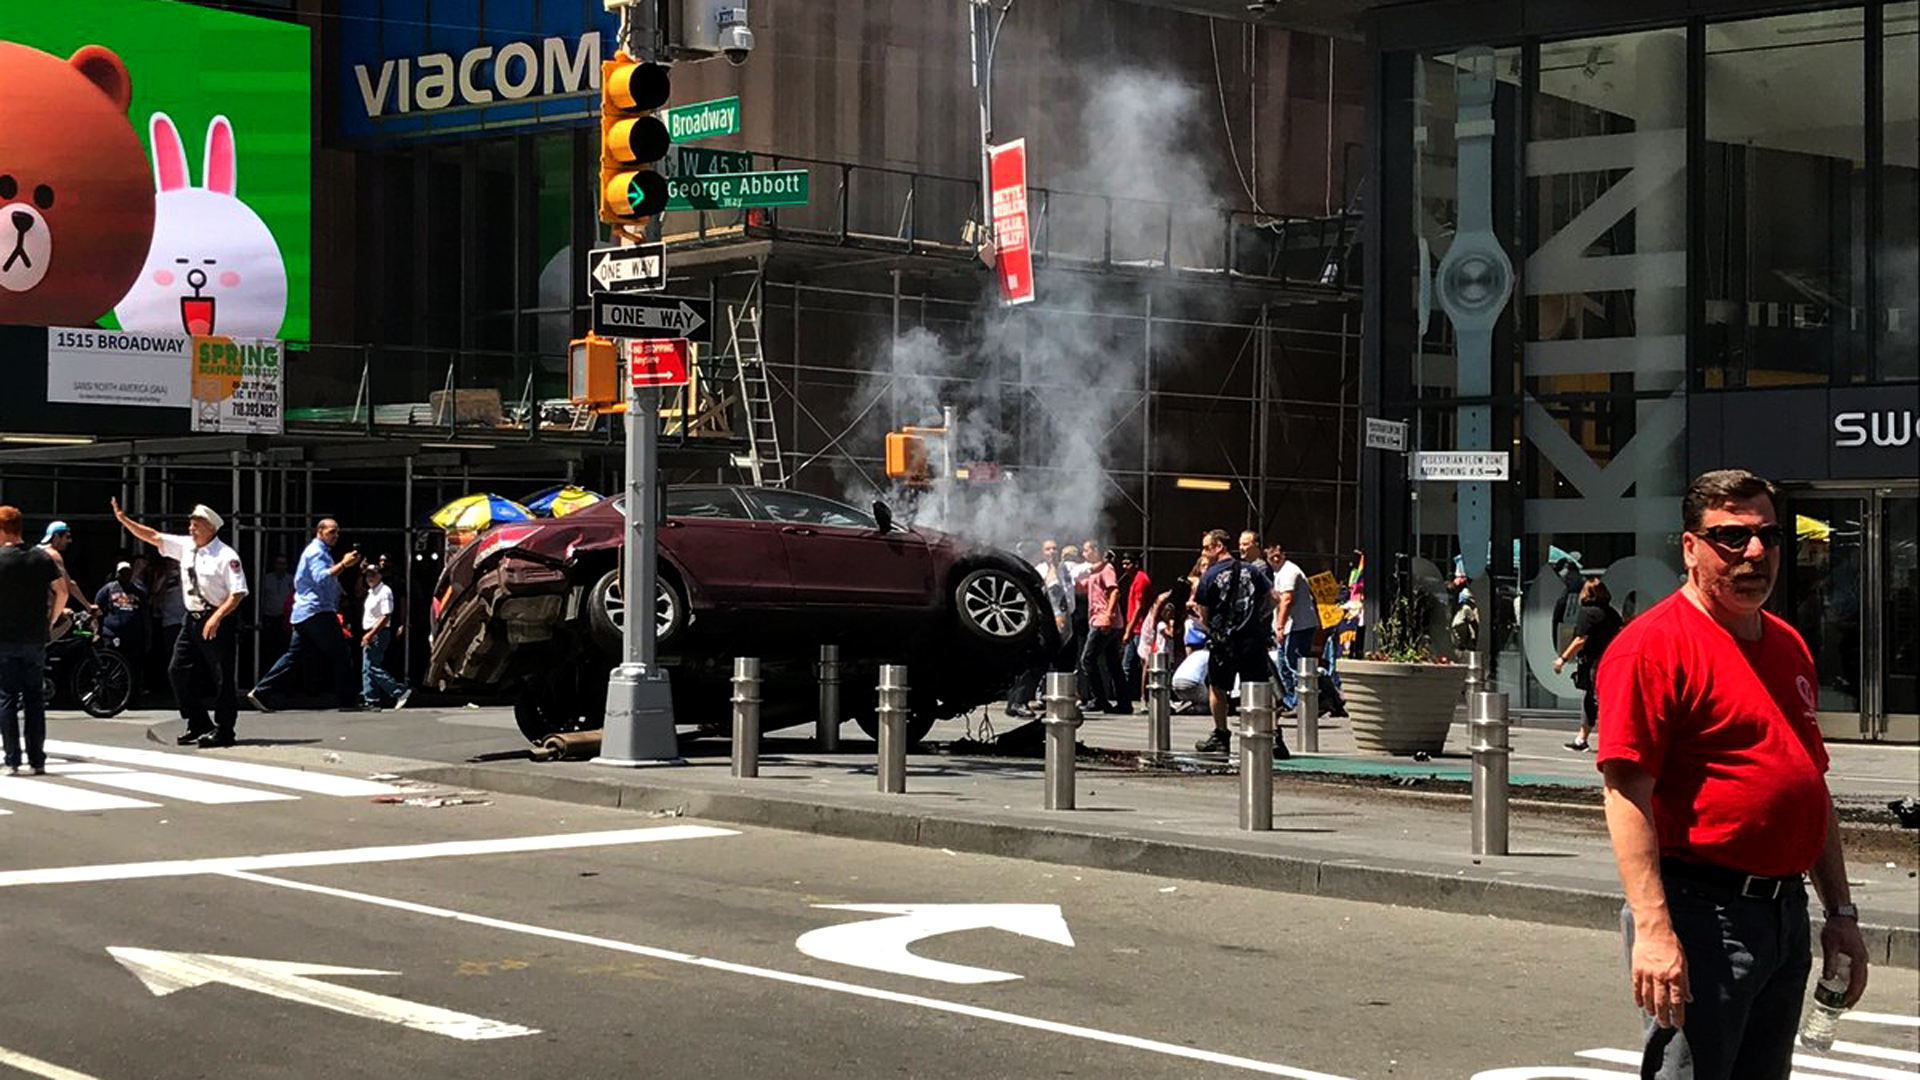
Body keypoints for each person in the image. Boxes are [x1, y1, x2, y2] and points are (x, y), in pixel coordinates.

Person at [1597, 469, 1867, 1080]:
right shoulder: (1653, 647)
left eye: (1768, 536)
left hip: (1783, 914)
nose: (1755, 553)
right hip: (1702, 915)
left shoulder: (1787, 643)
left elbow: (1809, 786)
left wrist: (1841, 917)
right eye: (1730, 537)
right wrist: (1655, 929)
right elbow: (1625, 792)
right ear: (1689, 547)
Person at [111, 499, 249, 748]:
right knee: (178, 670)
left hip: (217, 618)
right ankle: (198, 722)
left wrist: (217, 617)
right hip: (191, 619)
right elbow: (153, 537)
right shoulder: (187, 547)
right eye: (190, 524)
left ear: (210, 527)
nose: (191, 528)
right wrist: (124, 520)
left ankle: (225, 730)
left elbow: (237, 593)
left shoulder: (226, 556)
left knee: (222, 677)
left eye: (196, 524)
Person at [250, 518, 363, 712]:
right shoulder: (316, 552)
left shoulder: (320, 552)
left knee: (294, 656)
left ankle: (261, 691)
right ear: (319, 532)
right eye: (331, 532)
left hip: (305, 613)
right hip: (316, 612)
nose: (335, 536)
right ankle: (347, 700)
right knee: (341, 653)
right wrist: (344, 565)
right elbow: (321, 577)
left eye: (337, 532)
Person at [1190, 529, 1282, 757]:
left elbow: (1204, 612)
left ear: (1219, 546)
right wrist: (1258, 618)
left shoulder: (1209, 576)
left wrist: (1208, 624)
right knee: (1257, 687)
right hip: (1251, 639)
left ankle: (1221, 734)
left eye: (1206, 547)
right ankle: (1268, 735)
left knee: (1218, 688)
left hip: (1224, 642)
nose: (1203, 552)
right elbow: (1273, 598)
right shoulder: (1251, 570)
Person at [0, 506, 63, 776]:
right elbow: (61, 591)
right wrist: (51, 619)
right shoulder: (41, 558)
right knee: (34, 699)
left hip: (4, 637)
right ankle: (37, 759)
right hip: (35, 636)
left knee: (7, 699)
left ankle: (13, 758)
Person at [1554, 578, 1622, 752]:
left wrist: (1562, 658)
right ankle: (1584, 738)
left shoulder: (1587, 613)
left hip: (1595, 661)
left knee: (1591, 699)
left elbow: (1580, 639)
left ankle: (1585, 740)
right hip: (1613, 660)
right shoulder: (1613, 614)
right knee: (1600, 699)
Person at [1268, 543, 1320, 718]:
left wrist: (1280, 626)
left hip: (1298, 626)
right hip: (1292, 626)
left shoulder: (1289, 572)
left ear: (1283, 555)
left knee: (1294, 664)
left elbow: (1287, 599)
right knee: (1285, 665)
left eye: (1277, 555)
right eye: (1271, 555)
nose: (1275, 558)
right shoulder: (1279, 573)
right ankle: (1292, 701)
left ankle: (1302, 702)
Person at [1077, 547, 1126, 714]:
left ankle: (1099, 699)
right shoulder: (1093, 572)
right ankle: (1124, 702)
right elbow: (1082, 587)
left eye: (1086, 550)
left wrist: (1108, 615)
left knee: (1087, 659)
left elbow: (1114, 591)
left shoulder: (1106, 568)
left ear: (1095, 551)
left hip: (1102, 621)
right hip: (1101, 620)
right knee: (1113, 663)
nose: (1084, 554)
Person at [358, 563, 410, 710]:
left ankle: (398, 691)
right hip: (370, 631)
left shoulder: (384, 591)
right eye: (367, 575)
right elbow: (357, 592)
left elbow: (386, 615)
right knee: (367, 667)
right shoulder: (371, 592)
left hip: (378, 632)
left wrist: (371, 634)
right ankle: (371, 699)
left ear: (380, 575)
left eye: (373, 575)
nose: (370, 578)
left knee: (373, 666)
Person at [37, 520, 100, 637]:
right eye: (67, 537)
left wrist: (87, 605)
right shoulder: (53, 555)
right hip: (41, 610)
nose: (70, 541)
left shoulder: (36, 551)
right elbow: (64, 590)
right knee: (66, 622)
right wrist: (52, 621)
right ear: (56, 536)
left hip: (27, 607)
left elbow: (70, 583)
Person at [94, 559, 148, 661]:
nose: (125, 575)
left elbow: (145, 614)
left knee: (133, 665)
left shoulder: (138, 592)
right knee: (112, 662)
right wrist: (97, 630)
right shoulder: (108, 589)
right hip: (112, 634)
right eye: (122, 572)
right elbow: (97, 607)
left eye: (127, 572)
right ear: (116, 574)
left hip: (133, 637)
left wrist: (148, 635)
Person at [257, 552, 294, 664]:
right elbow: (260, 599)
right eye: (278, 563)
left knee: (284, 648)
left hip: (285, 619)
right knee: (270, 648)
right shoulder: (266, 579)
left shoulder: (291, 580)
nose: (281, 566)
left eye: (283, 564)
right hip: (270, 618)